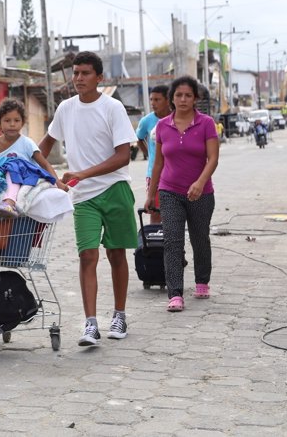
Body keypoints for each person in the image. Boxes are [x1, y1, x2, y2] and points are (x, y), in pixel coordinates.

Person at [39, 51, 138, 346]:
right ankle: (91, 324)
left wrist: (82, 173)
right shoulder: (65, 109)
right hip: (83, 197)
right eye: (75, 73)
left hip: (115, 189)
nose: (78, 78)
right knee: (87, 255)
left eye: (85, 73)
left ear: (99, 77)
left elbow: (123, 157)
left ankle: (119, 315)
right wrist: (27, 173)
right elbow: (42, 147)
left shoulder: (113, 107)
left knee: (116, 253)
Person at [144, 75, 219, 312]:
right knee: (172, 241)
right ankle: (175, 293)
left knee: (200, 239)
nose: (183, 99)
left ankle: (202, 281)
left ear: (195, 98)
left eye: (188, 95)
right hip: (170, 191)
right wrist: (151, 193)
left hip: (201, 193)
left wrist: (200, 182)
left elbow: (213, 158)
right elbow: (158, 163)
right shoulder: (162, 126)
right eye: (179, 95)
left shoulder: (206, 123)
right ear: (172, 98)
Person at [0, 98, 65, 218]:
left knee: (13, 166)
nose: (12, 124)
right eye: (7, 120)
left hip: (25, 177)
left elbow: (44, 164)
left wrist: (58, 183)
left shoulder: (27, 143)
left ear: (22, 123)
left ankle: (10, 202)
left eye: (17, 120)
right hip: (2, 178)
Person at [135, 85, 170, 224]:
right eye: (151, 99)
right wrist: (149, 155)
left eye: (157, 99)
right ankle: (155, 242)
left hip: (175, 173)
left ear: (168, 100)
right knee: (155, 212)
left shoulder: (177, 119)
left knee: (173, 214)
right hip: (154, 174)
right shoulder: (146, 121)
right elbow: (139, 138)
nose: (153, 103)